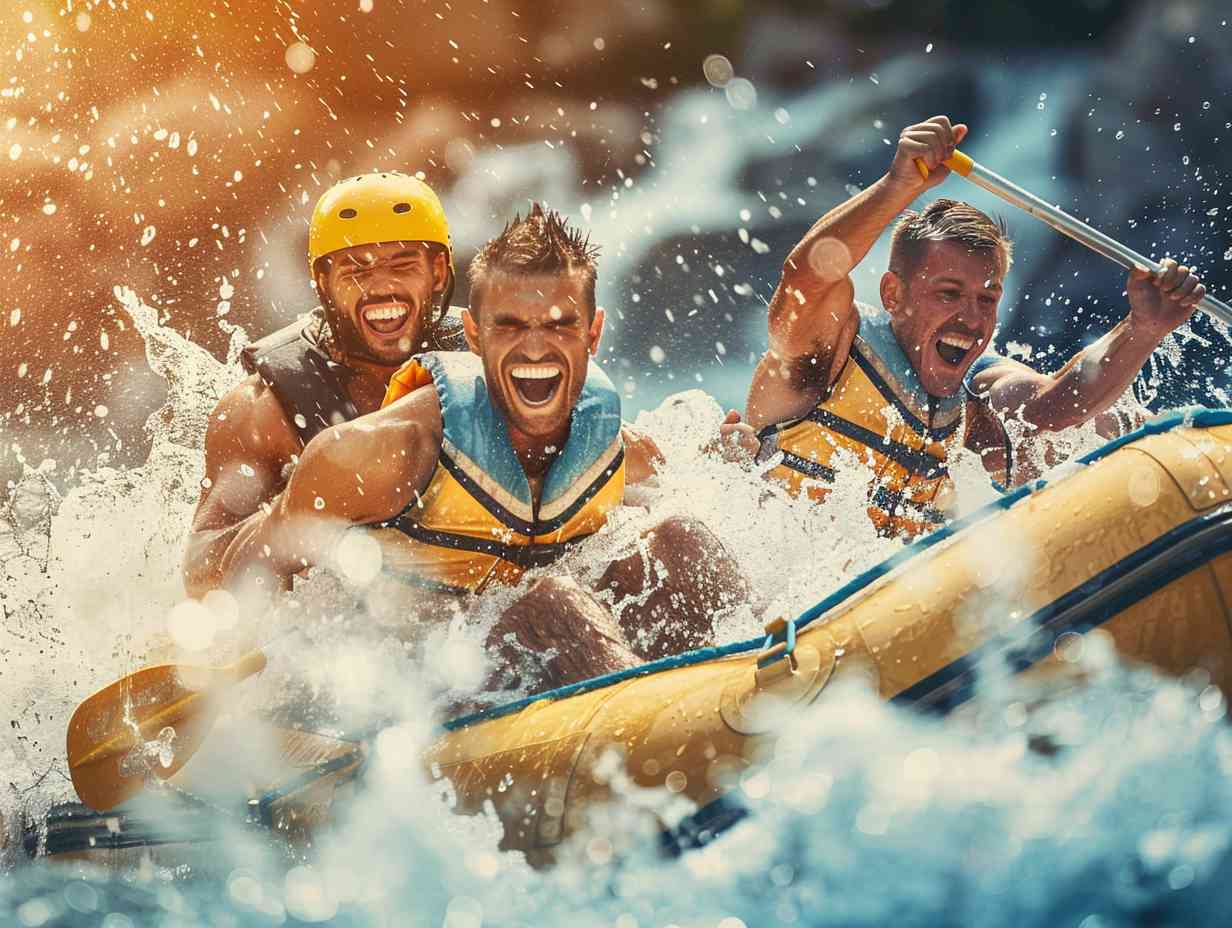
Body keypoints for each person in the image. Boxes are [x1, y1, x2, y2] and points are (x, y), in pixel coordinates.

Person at [223, 204, 749, 690]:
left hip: (564, 652)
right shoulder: (372, 453)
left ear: (593, 335)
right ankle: (650, 721)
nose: (537, 347)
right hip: (418, 675)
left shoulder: (609, 438)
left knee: (682, 540)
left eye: (560, 325)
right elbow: (232, 577)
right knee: (550, 605)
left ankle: (753, 680)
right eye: (512, 326)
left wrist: (724, 465)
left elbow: (682, 487)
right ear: (474, 338)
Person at [745, 115, 1207, 538]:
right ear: (893, 295)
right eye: (948, 293)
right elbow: (808, 276)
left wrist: (1143, 327)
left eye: (987, 298)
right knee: (679, 535)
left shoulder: (974, 393)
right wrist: (897, 185)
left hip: (890, 605)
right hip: (771, 580)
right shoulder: (828, 348)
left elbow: (1055, 411)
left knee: (1114, 422)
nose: (972, 318)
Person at [183, 172, 467, 596]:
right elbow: (200, 568)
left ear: (439, 272)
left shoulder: (489, 359)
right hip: (340, 630)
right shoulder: (264, 411)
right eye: (356, 270)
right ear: (322, 282)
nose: (382, 287)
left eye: (403, 265)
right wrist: (301, 513)